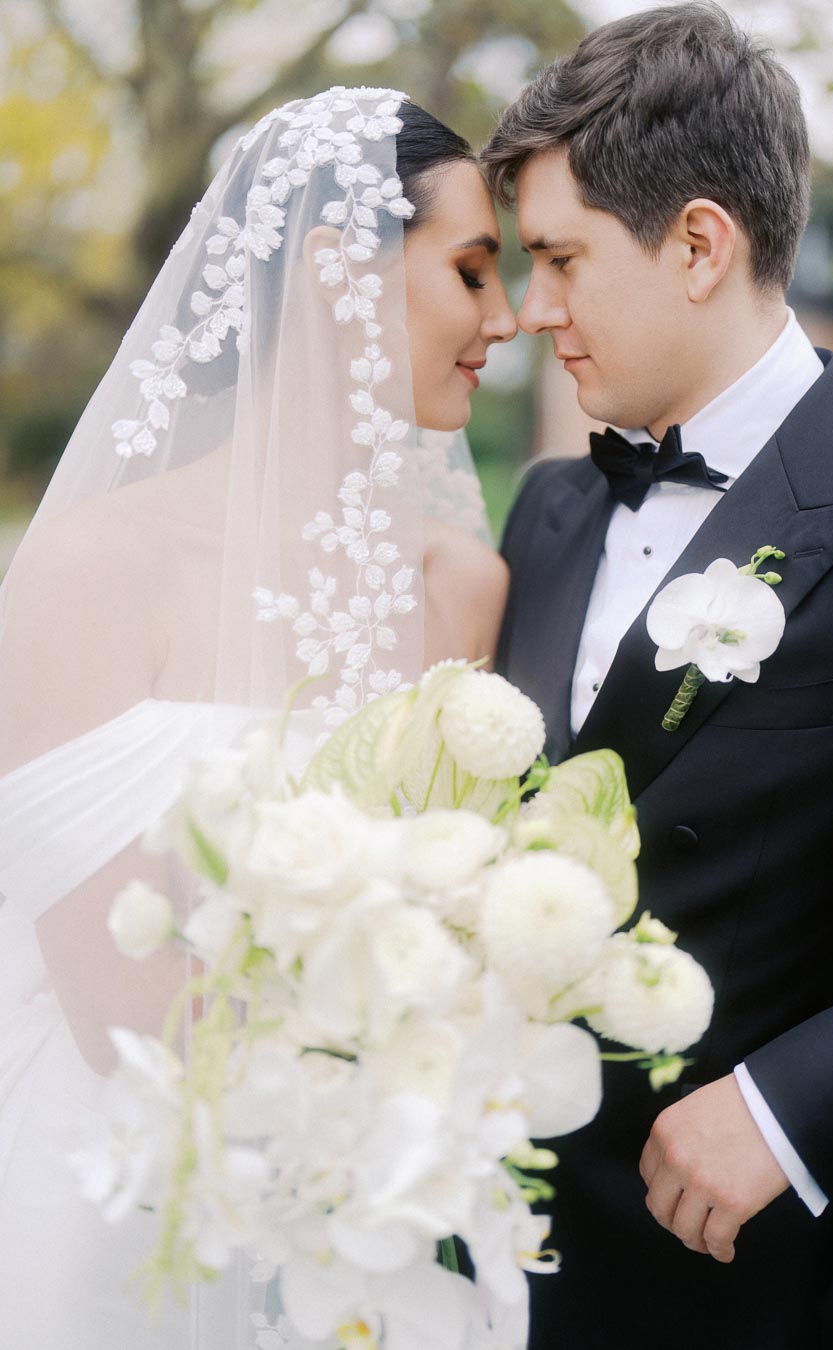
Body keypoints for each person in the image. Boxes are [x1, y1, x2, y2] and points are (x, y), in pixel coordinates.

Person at [0, 87, 515, 1349]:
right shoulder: (87, 569)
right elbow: (112, 1000)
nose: (505, 320)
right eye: (470, 270)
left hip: (370, 1226)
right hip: (118, 1205)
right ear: (339, 271)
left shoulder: (462, 585)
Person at [482, 6, 833, 1348]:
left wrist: (795, 1098)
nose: (531, 309)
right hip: (507, 1263)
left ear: (702, 244)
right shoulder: (544, 511)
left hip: (780, 1286)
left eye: (558, 259)